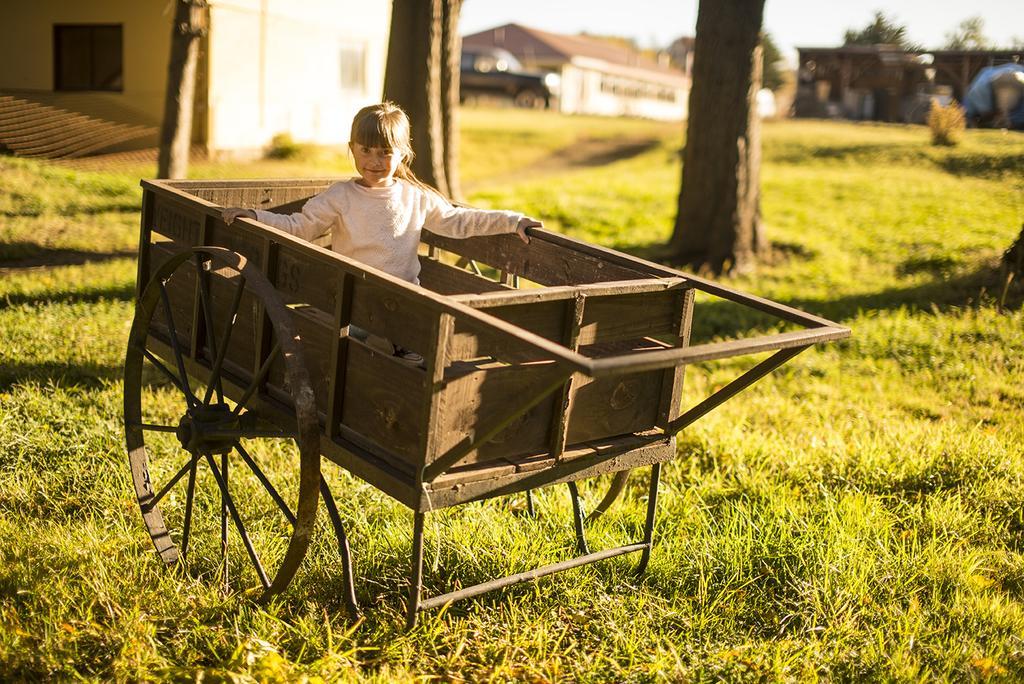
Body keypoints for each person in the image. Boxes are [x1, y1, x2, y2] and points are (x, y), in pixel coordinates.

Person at [222, 102, 542, 364]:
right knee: (353, 350)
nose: (374, 161)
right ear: (353, 149)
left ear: (403, 153)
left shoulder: (414, 197)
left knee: (417, 357)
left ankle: (400, 359)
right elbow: (299, 226)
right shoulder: (341, 197)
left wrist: (512, 222)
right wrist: (255, 215)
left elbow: (458, 221)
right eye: (366, 150)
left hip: (402, 302)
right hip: (352, 301)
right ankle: (373, 354)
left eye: (385, 152)